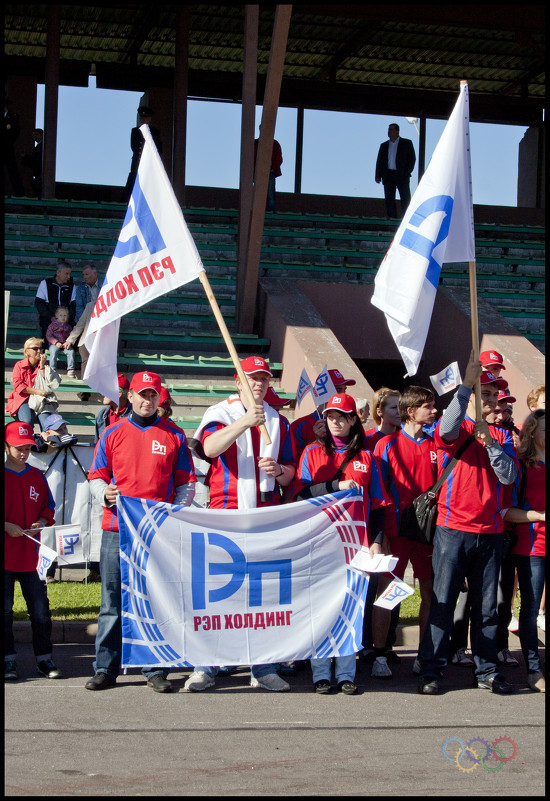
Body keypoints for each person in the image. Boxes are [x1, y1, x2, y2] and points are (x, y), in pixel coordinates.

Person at [185, 356, 296, 692]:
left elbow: (292, 473)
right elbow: (209, 447)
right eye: (252, 378)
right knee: (218, 590)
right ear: (238, 381)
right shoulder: (221, 413)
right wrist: (245, 422)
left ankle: (262, 667)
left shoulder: (278, 421)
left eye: (263, 378)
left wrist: (278, 471)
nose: (259, 384)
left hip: (265, 511)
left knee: (262, 593)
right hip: (226, 509)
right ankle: (207, 665)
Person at [85, 371, 197, 692]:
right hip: (116, 530)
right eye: (142, 395)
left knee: (155, 600)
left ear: (160, 398)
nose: (148, 401)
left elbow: (186, 483)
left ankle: (155, 668)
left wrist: (171, 515)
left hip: (155, 535)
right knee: (112, 602)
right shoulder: (112, 433)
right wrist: (103, 493)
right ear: (130, 396)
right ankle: (106, 667)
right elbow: (96, 477)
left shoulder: (174, 435)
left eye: (153, 395)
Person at [417, 360, 518, 695]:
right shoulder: (456, 430)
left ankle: (487, 670)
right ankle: (431, 669)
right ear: (473, 397)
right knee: (442, 603)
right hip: (452, 529)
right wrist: (465, 388)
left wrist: (490, 442)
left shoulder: (503, 435)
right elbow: (445, 428)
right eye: (484, 394)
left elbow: (508, 476)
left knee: (486, 608)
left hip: (489, 533)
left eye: (494, 395)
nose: (491, 400)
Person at [293, 393, 392, 694]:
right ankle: (321, 672)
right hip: (320, 543)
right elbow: (300, 495)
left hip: (356, 545)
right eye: (331, 416)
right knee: (321, 608)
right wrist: (336, 486)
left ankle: (347, 673)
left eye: (342, 416)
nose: (335, 421)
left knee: (351, 609)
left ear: (353, 420)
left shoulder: (367, 457)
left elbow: (377, 505)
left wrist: (376, 541)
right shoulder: (311, 452)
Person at [373, 386, 438, 678]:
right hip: (395, 532)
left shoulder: (438, 446)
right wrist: (382, 533)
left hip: (427, 534)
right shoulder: (385, 444)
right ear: (411, 412)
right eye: (428, 406)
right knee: (388, 591)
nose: (434, 411)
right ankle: (379, 653)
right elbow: (378, 490)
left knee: (429, 593)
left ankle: (423, 656)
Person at [5, 421, 61, 681]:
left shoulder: (37, 476)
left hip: (32, 556)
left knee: (40, 612)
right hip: (5, 556)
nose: (23, 453)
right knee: (5, 611)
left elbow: (48, 508)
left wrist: (41, 522)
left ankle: (44, 658)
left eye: (27, 448)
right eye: (18, 448)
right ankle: (8, 661)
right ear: (6, 447)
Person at [501, 410, 545, 692]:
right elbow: (506, 511)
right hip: (532, 547)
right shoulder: (522, 466)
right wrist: (540, 516)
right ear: (531, 432)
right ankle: (533, 669)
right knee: (529, 610)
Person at [291, 368, 357, 458]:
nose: (343, 394)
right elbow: (295, 461)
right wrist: (318, 442)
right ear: (322, 392)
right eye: (338, 389)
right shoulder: (299, 426)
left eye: (344, 390)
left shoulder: (350, 421)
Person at [5, 338, 54, 431]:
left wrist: (43, 366)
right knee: (27, 422)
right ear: (27, 351)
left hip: (41, 400)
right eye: (35, 349)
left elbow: (48, 382)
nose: (39, 351)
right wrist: (37, 391)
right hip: (23, 399)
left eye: (40, 348)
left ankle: (44, 444)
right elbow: (18, 386)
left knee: (47, 425)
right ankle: (29, 445)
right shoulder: (19, 365)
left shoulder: (44, 365)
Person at [375, 123, 416, 219]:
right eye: (388, 129)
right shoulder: (384, 145)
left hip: (401, 175)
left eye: (391, 129)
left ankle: (406, 218)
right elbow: (379, 161)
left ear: (397, 131)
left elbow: (412, 159)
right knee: (389, 198)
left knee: (405, 197)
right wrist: (378, 175)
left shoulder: (406, 143)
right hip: (388, 174)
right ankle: (392, 218)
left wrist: (407, 172)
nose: (389, 131)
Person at [123, 105, 163, 202]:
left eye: (145, 117)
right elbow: (134, 147)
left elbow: (159, 149)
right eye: (142, 117)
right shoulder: (135, 131)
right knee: (133, 180)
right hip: (137, 161)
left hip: (149, 162)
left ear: (149, 118)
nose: (143, 119)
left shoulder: (155, 132)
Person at [35, 262, 76, 342]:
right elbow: (39, 304)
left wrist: (66, 318)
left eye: (69, 274)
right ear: (58, 272)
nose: (68, 277)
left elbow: (73, 306)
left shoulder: (72, 286)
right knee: (46, 326)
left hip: (66, 319)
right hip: (49, 318)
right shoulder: (45, 284)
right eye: (66, 274)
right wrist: (51, 317)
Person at [254, 126, 283, 212]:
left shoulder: (275, 144)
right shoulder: (255, 143)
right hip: (258, 172)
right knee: (259, 194)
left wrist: (273, 169)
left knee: (270, 194)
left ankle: (269, 211)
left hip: (269, 172)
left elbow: (279, 159)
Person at [95, 374, 131, 441]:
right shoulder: (102, 415)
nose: (102, 394)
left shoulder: (135, 416)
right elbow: (97, 445)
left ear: (119, 394)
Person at [45, 306, 76, 376]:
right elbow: (48, 335)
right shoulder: (52, 325)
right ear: (56, 316)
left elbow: (70, 336)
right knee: (53, 351)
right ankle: (52, 368)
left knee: (71, 351)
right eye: (61, 315)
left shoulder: (68, 326)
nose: (63, 317)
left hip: (64, 344)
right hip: (54, 344)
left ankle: (70, 369)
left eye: (65, 315)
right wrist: (56, 342)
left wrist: (68, 342)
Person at [4, 99, 24, 196]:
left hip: (7, 148)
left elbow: (15, 131)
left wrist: (8, 142)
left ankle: (20, 194)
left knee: (13, 171)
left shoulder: (13, 117)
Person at [21, 127, 43, 198]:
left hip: (39, 173)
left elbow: (36, 161)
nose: (35, 137)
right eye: (34, 135)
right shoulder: (40, 147)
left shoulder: (41, 147)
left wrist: (26, 158)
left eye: (37, 135)